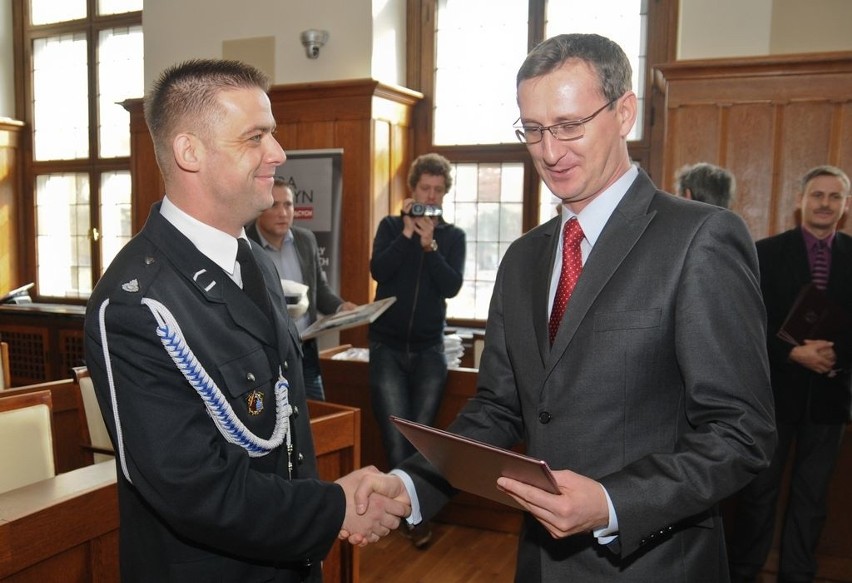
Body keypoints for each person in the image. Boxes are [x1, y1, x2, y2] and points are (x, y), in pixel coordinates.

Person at [348, 33, 777, 581]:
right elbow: (499, 410)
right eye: (533, 130)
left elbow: (741, 431)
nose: (549, 152)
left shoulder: (700, 239)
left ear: (624, 113)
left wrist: (613, 501)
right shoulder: (524, 258)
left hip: (656, 564)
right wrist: (410, 485)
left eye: (570, 126)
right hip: (541, 563)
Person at [83, 58, 408, 582]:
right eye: (255, 137)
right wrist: (332, 510)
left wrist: (322, 509)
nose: (277, 154)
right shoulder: (135, 305)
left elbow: (284, 432)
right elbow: (192, 487)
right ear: (190, 152)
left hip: (287, 560)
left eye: (272, 135)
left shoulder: (252, 260)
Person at [728, 165, 852, 583]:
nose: (825, 204)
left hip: (831, 399)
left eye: (835, 197)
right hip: (773, 397)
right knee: (758, 494)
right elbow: (745, 322)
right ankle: (744, 572)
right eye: (818, 195)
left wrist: (833, 355)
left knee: (813, 498)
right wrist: (793, 353)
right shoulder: (764, 253)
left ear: (845, 206)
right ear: (801, 202)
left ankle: (799, 573)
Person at [367, 152, 466, 547]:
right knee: (393, 436)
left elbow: (451, 286)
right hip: (386, 346)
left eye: (438, 190)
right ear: (412, 189)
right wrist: (408, 234)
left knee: (421, 435)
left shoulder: (452, 236)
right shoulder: (391, 227)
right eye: (425, 188)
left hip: (429, 350)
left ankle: (414, 509)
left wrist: (430, 246)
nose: (431, 196)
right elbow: (380, 271)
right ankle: (408, 516)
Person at [247, 176, 357, 400]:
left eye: (288, 204)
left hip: (305, 352)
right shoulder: (243, 244)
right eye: (274, 204)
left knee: (317, 421)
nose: (283, 212)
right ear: (259, 208)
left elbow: (320, 290)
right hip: (265, 355)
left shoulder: (306, 240)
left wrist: (340, 307)